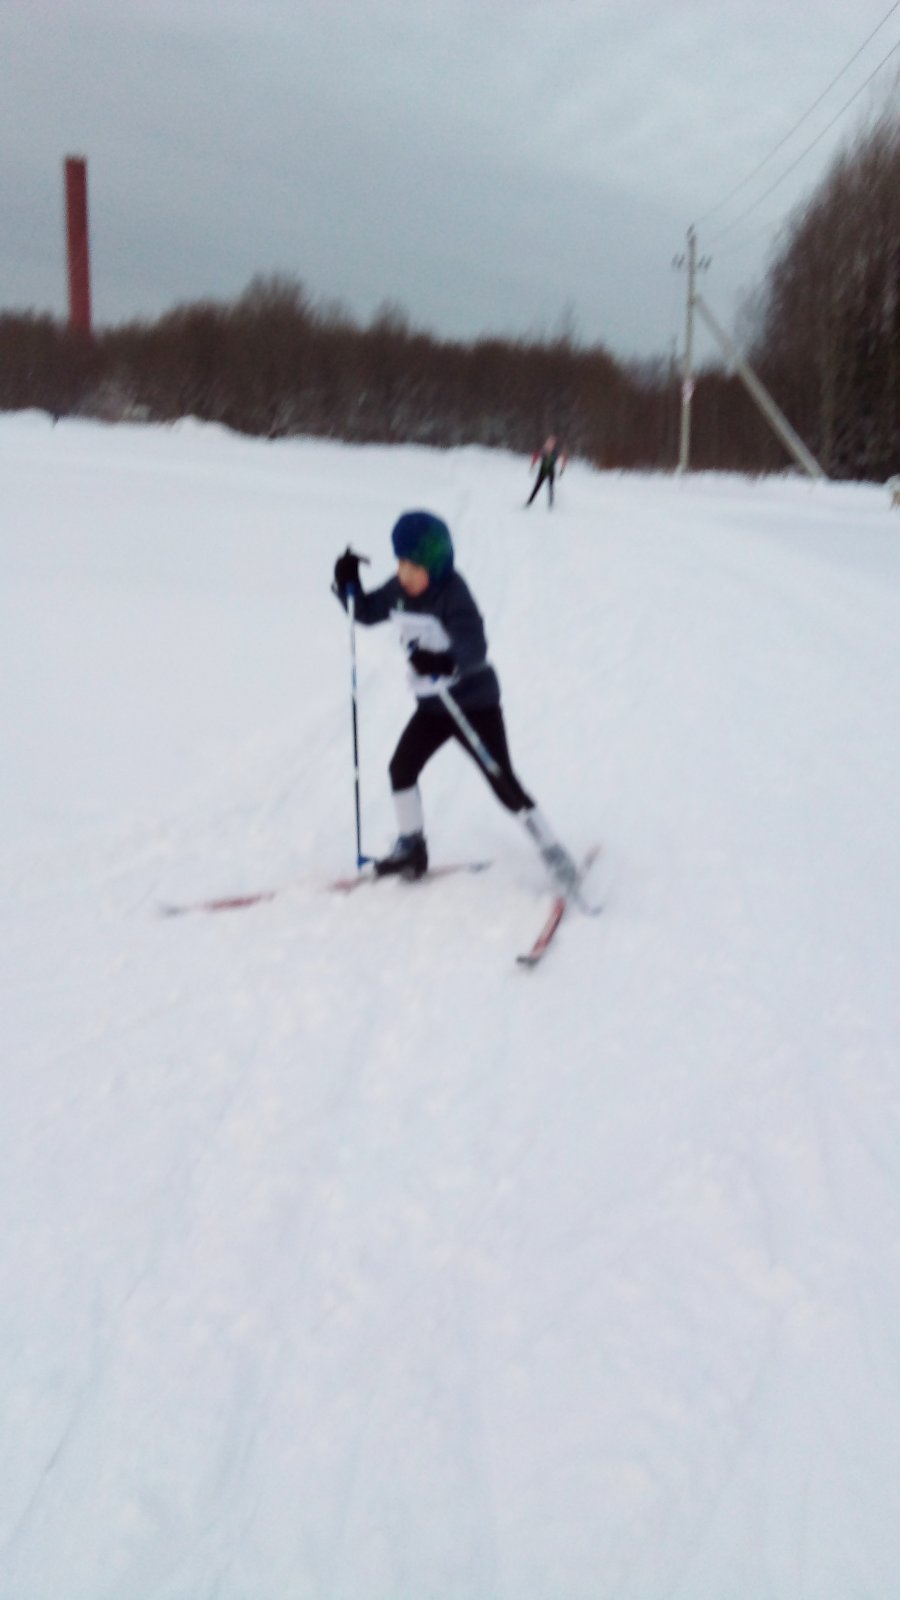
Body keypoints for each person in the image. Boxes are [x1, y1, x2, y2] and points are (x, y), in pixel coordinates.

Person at [332, 510, 576, 885]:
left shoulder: (454, 595)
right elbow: (365, 613)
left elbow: (473, 648)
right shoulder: (398, 591)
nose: (404, 574)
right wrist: (347, 583)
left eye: (414, 567)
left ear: (435, 566)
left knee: (501, 780)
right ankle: (412, 848)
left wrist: (443, 662)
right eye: (400, 563)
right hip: (433, 706)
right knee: (402, 768)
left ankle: (554, 852)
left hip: (473, 704)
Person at [526, 434, 567, 508]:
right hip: (542, 471)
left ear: (554, 444)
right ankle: (529, 502)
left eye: (551, 443)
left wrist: (562, 469)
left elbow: (564, 458)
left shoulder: (556, 452)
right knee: (537, 487)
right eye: (548, 443)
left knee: (550, 487)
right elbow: (535, 456)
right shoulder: (543, 450)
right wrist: (532, 466)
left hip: (551, 471)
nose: (549, 445)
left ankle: (551, 504)